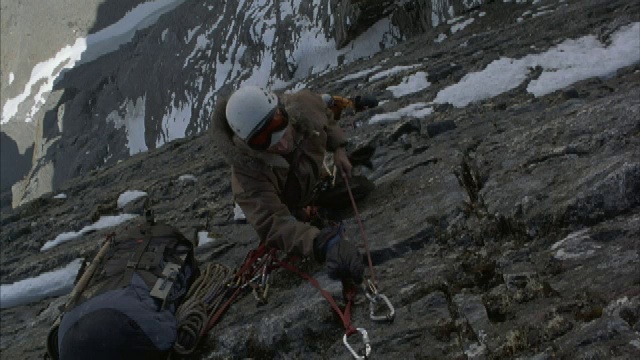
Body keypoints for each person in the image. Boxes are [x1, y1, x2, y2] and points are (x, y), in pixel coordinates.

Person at [210, 86, 374, 285]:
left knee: (360, 189)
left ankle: (315, 203)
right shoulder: (247, 175)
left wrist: (339, 149)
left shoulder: (304, 105)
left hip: (312, 186)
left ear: (283, 112)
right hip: (289, 206)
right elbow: (273, 224)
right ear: (249, 144)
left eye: (280, 128)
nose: (281, 145)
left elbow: (326, 116)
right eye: (265, 141)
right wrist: (320, 243)